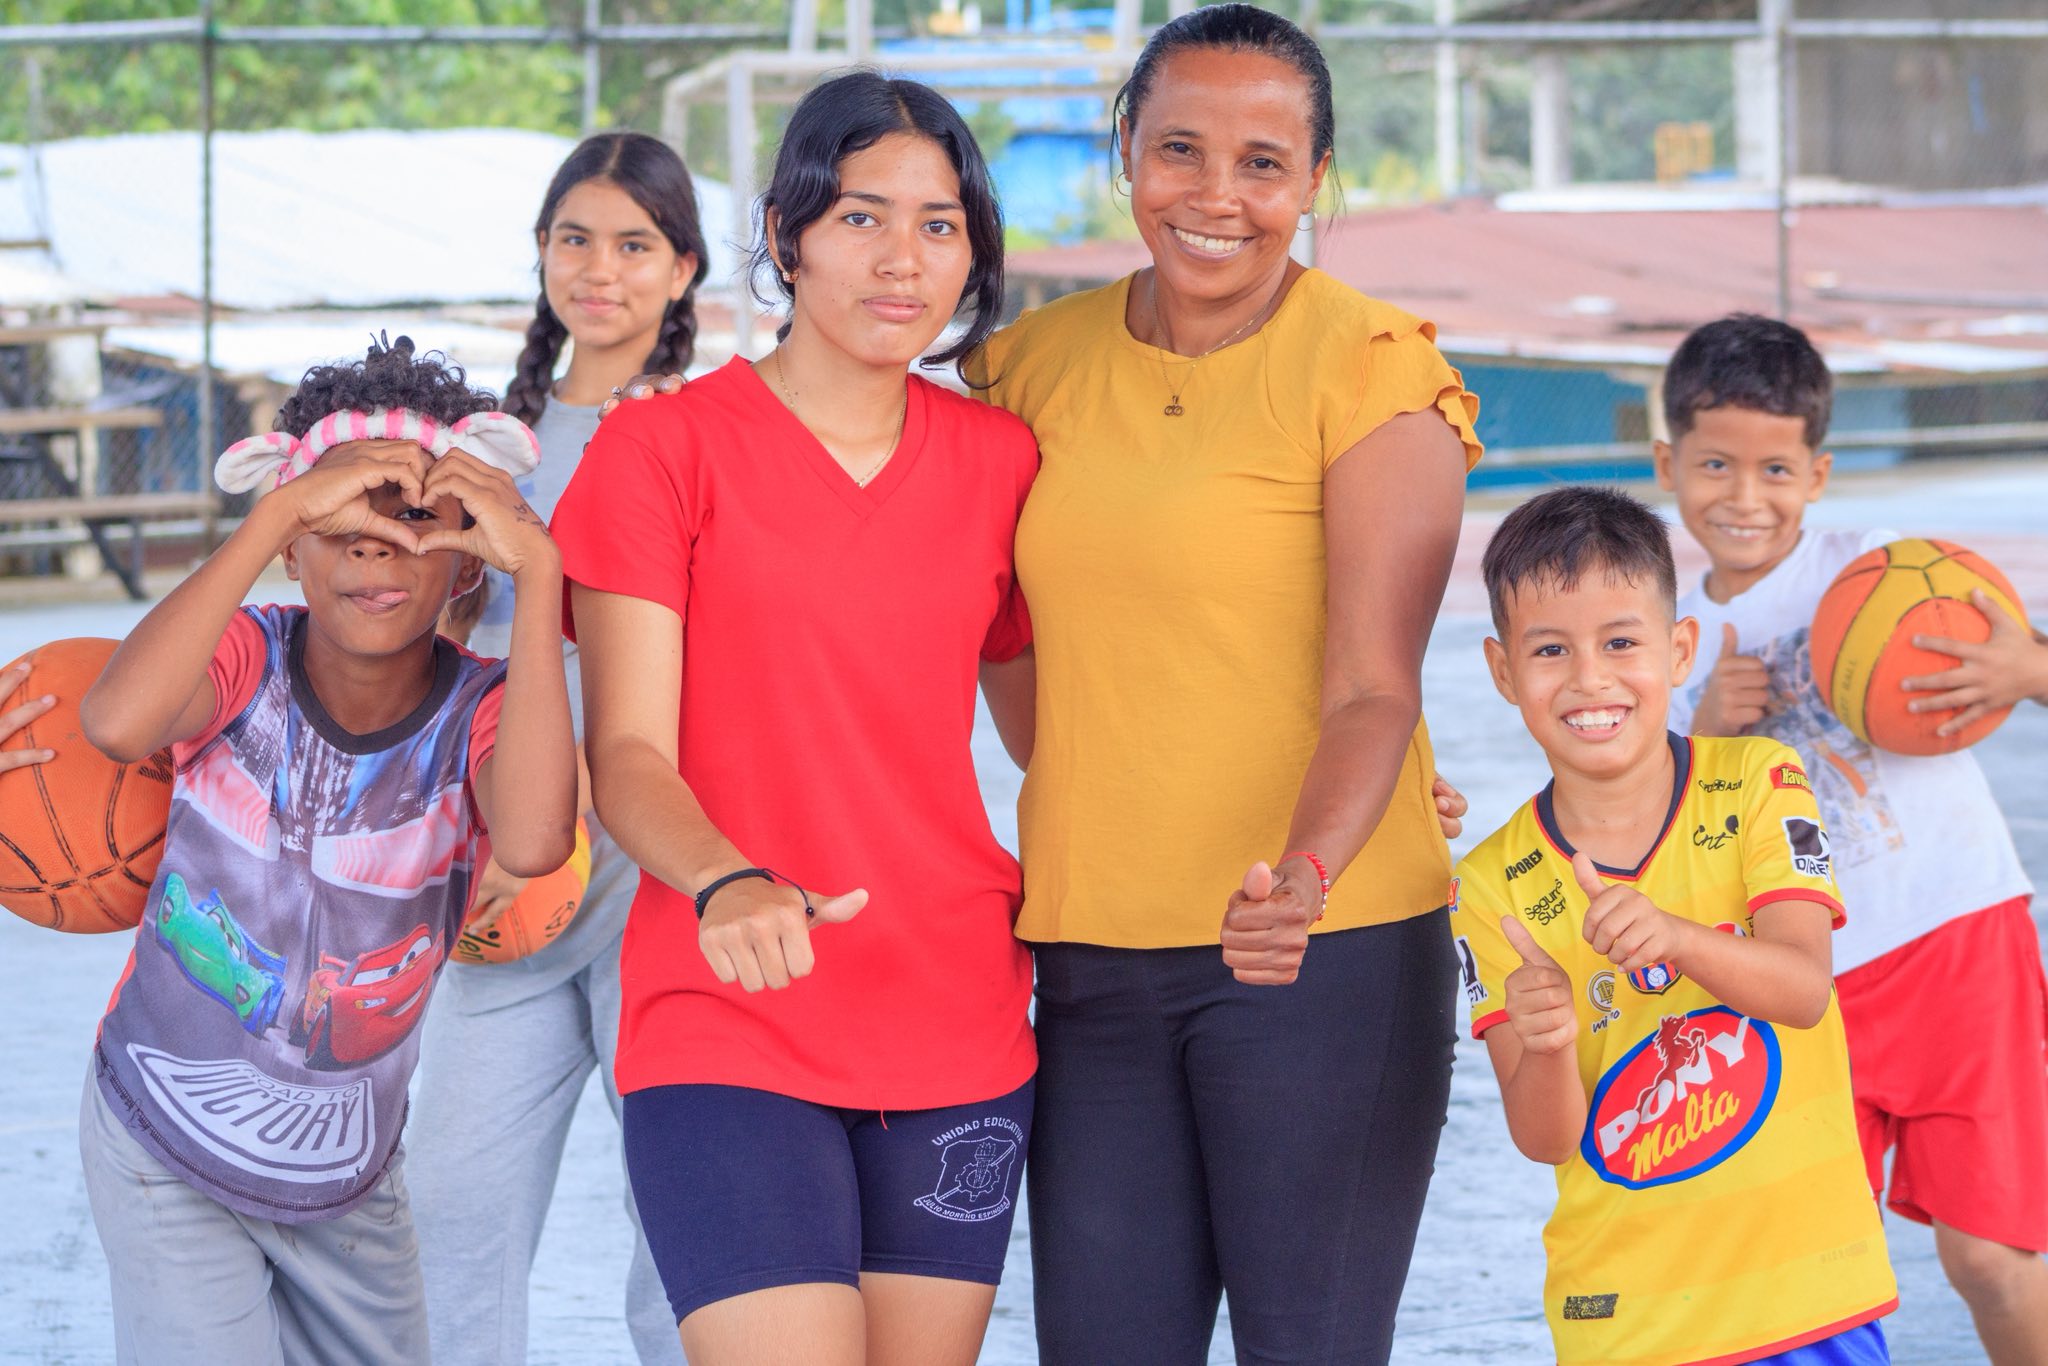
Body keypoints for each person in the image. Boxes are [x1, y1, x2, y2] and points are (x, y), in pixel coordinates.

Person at [973, 7, 1479, 1360]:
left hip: (1322, 948)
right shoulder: (1022, 370)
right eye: (1179, 150)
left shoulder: (1374, 368)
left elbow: (1372, 689)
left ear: (1315, 180)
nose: (1215, 195)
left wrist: (1304, 872)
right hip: (1090, 948)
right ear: (1124, 153)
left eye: (1263, 163)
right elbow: (1001, 641)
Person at [550, 74, 1038, 1366]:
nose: (902, 258)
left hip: (953, 1008)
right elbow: (627, 754)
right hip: (727, 1003)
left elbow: (1058, 734)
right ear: (786, 233)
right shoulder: (659, 452)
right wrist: (729, 880)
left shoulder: (1003, 462)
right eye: (861, 216)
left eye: (939, 225)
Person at [73, 335, 577, 1363]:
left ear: (468, 559)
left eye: (415, 520)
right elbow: (119, 723)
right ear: (294, 544)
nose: (374, 549)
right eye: (341, 519)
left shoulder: (482, 711)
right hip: (163, 1139)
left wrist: (540, 572)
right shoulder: (246, 654)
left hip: (346, 1181)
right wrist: (273, 515)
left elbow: (534, 839)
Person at [1656, 315, 2048, 1361]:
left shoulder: (1886, 569)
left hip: (1956, 937)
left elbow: (2022, 660)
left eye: (1776, 469)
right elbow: (1672, 842)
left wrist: (2026, 669)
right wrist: (1708, 739)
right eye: (1715, 465)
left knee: (1991, 1258)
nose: (1745, 496)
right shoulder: (1663, 644)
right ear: (1666, 464)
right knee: (1821, 1276)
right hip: (1804, 987)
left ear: (1818, 474)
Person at [1455, 485, 1897, 1365]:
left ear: (1680, 647)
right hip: (1625, 1320)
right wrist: (1546, 1044)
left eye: (1621, 641)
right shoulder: (1489, 883)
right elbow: (1544, 1139)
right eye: (1550, 649)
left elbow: (1805, 991)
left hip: (1805, 1296)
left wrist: (1679, 938)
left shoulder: (1761, 782)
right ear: (1503, 671)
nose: (1590, 678)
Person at [406, 130, 705, 1366]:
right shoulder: (481, 447)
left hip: (655, 880)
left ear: (682, 270)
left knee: (682, 1226)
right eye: (574, 239)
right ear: (539, 252)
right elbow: (432, 654)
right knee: (446, 1208)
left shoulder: (712, 431)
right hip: (512, 878)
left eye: (634, 245)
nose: (600, 269)